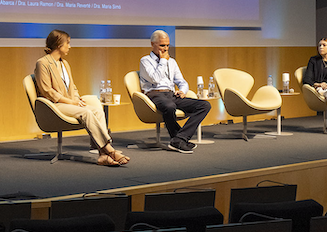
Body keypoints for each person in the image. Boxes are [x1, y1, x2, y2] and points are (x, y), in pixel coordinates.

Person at [34, 30, 130, 166]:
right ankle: (109, 149)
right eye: (68, 43)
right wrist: (71, 102)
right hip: (54, 106)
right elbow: (48, 91)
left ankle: (102, 155)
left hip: (69, 103)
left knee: (96, 110)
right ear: (59, 44)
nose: (70, 46)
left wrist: (77, 99)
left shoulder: (64, 64)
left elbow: (72, 87)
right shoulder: (42, 63)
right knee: (86, 112)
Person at [139, 30, 211, 153]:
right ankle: (179, 140)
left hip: (171, 94)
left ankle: (179, 138)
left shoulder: (172, 61)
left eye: (167, 45)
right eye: (162, 45)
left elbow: (182, 82)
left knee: (204, 105)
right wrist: (163, 60)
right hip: (155, 94)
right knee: (170, 106)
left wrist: (182, 91)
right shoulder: (145, 61)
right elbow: (155, 79)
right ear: (152, 44)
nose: (166, 49)